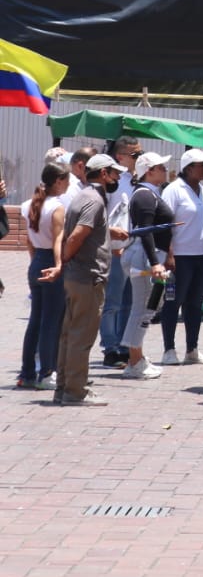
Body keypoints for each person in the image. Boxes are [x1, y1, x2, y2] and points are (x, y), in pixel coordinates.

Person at [55, 154, 129, 406]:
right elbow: (76, 236)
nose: (118, 177)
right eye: (115, 173)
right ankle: (75, 392)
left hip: (79, 276)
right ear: (104, 174)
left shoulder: (84, 196)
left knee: (70, 334)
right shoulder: (94, 200)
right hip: (87, 277)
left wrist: (109, 232)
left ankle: (65, 388)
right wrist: (63, 261)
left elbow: (86, 229)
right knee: (81, 337)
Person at [121, 152, 175, 382]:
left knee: (148, 307)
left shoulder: (149, 193)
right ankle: (134, 361)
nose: (165, 169)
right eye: (160, 166)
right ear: (149, 171)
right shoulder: (144, 195)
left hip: (149, 257)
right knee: (142, 307)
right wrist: (154, 262)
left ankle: (137, 356)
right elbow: (145, 231)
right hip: (144, 258)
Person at [160, 149, 203, 366]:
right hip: (181, 257)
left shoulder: (201, 190)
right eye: (202, 164)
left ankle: (192, 349)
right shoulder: (174, 190)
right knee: (173, 303)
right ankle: (169, 349)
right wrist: (169, 254)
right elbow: (165, 225)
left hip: (202, 255)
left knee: (194, 304)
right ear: (189, 168)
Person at [19, 163, 70, 390]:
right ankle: (47, 372)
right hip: (50, 260)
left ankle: (27, 373)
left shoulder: (28, 205)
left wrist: (34, 263)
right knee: (52, 321)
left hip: (37, 260)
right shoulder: (57, 207)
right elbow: (59, 239)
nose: (68, 185)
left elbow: (29, 240)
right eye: (66, 180)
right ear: (58, 181)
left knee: (36, 320)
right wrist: (59, 265)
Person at [98, 135, 143, 370]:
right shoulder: (114, 180)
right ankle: (110, 347)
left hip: (134, 246)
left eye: (140, 154)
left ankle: (125, 345)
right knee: (112, 300)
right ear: (120, 156)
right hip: (115, 248)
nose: (139, 158)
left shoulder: (139, 180)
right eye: (135, 155)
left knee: (130, 300)